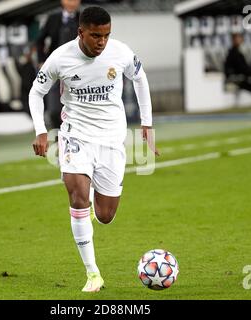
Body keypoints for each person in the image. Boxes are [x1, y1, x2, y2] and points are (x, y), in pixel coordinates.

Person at [29, 6, 157, 292]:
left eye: (106, 36)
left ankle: (92, 213)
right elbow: (36, 92)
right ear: (81, 32)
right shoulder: (61, 58)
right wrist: (40, 129)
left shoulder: (120, 52)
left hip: (112, 140)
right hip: (75, 136)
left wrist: (147, 124)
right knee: (77, 196)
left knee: (106, 215)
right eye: (96, 36)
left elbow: (140, 78)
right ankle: (92, 273)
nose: (102, 42)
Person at [35, 0, 81, 130]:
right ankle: (59, 136)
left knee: (78, 107)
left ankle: (76, 135)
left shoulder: (83, 18)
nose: (72, 2)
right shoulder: (53, 18)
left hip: (78, 69)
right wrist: (41, 61)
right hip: (56, 69)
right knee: (54, 109)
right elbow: (40, 41)